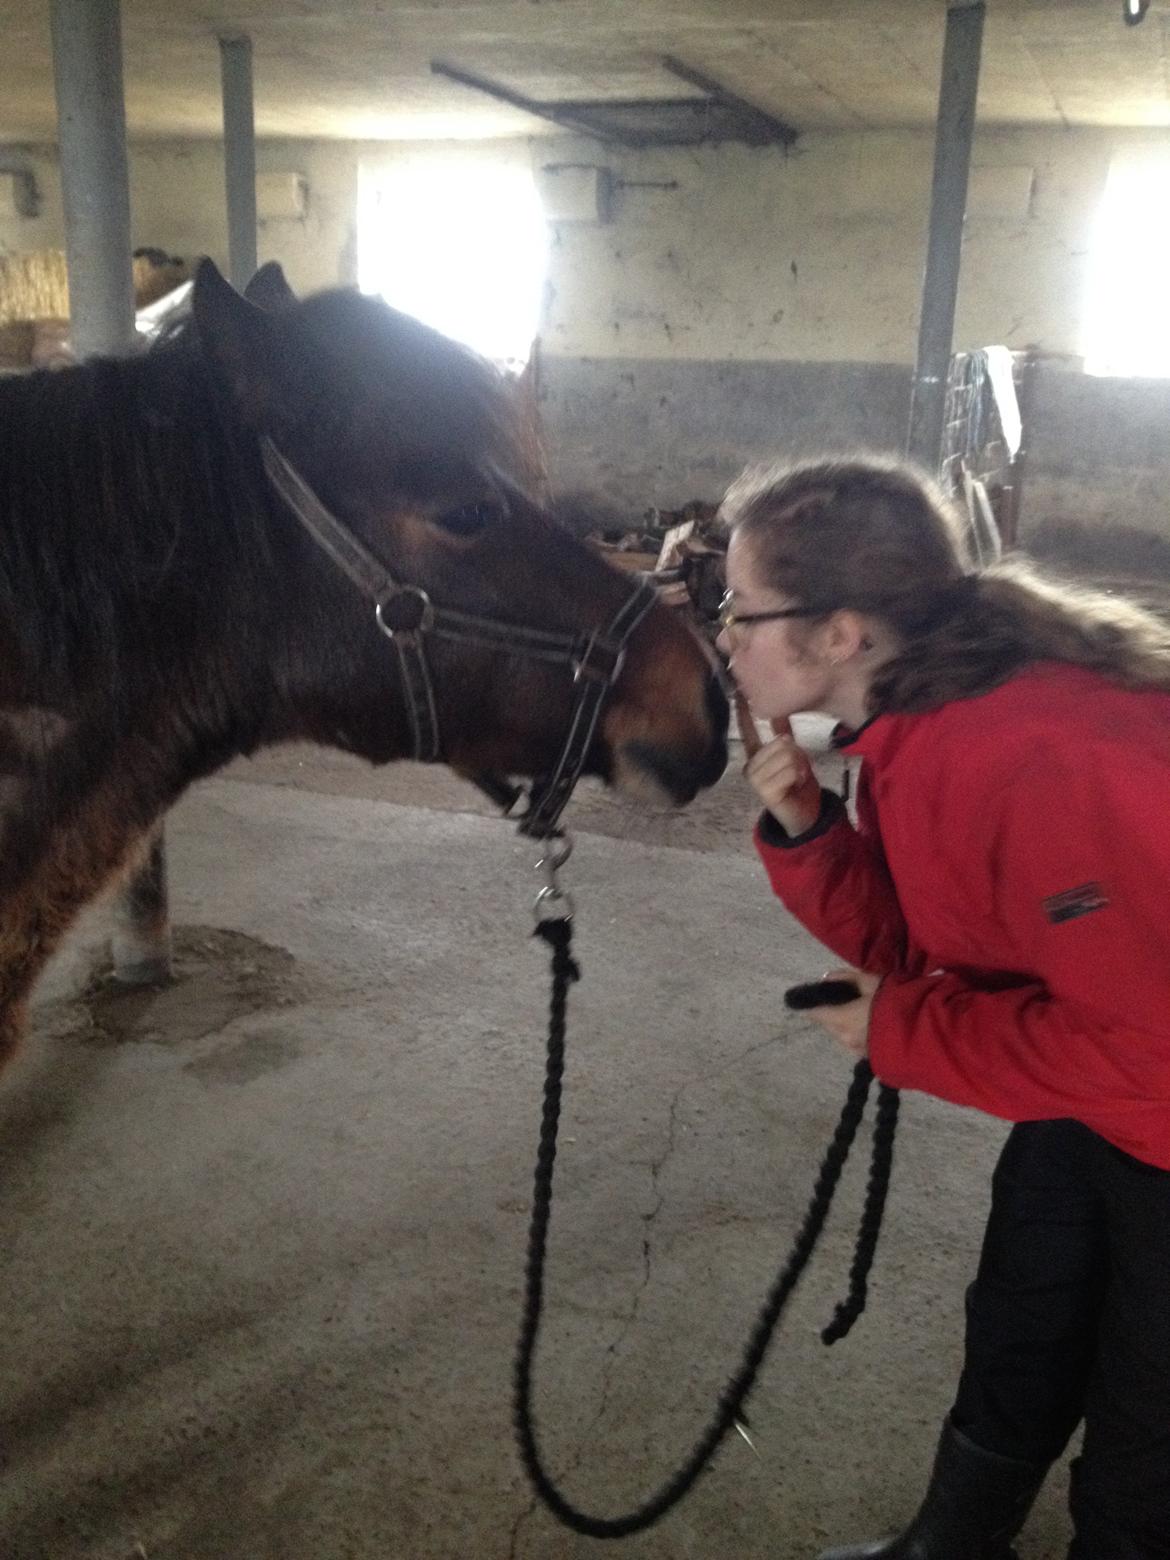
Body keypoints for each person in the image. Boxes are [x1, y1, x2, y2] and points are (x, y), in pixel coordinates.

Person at [716, 455, 1170, 1560]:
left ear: (842, 633)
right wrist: (810, 833)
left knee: (1147, 1440)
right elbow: (932, 946)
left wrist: (903, 1033)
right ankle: (950, 1548)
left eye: (740, 610)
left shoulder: (1045, 756)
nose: (723, 636)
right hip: (1100, 1098)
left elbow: (1154, 1052)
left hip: (1151, 1094)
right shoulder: (917, 730)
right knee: (1023, 1321)